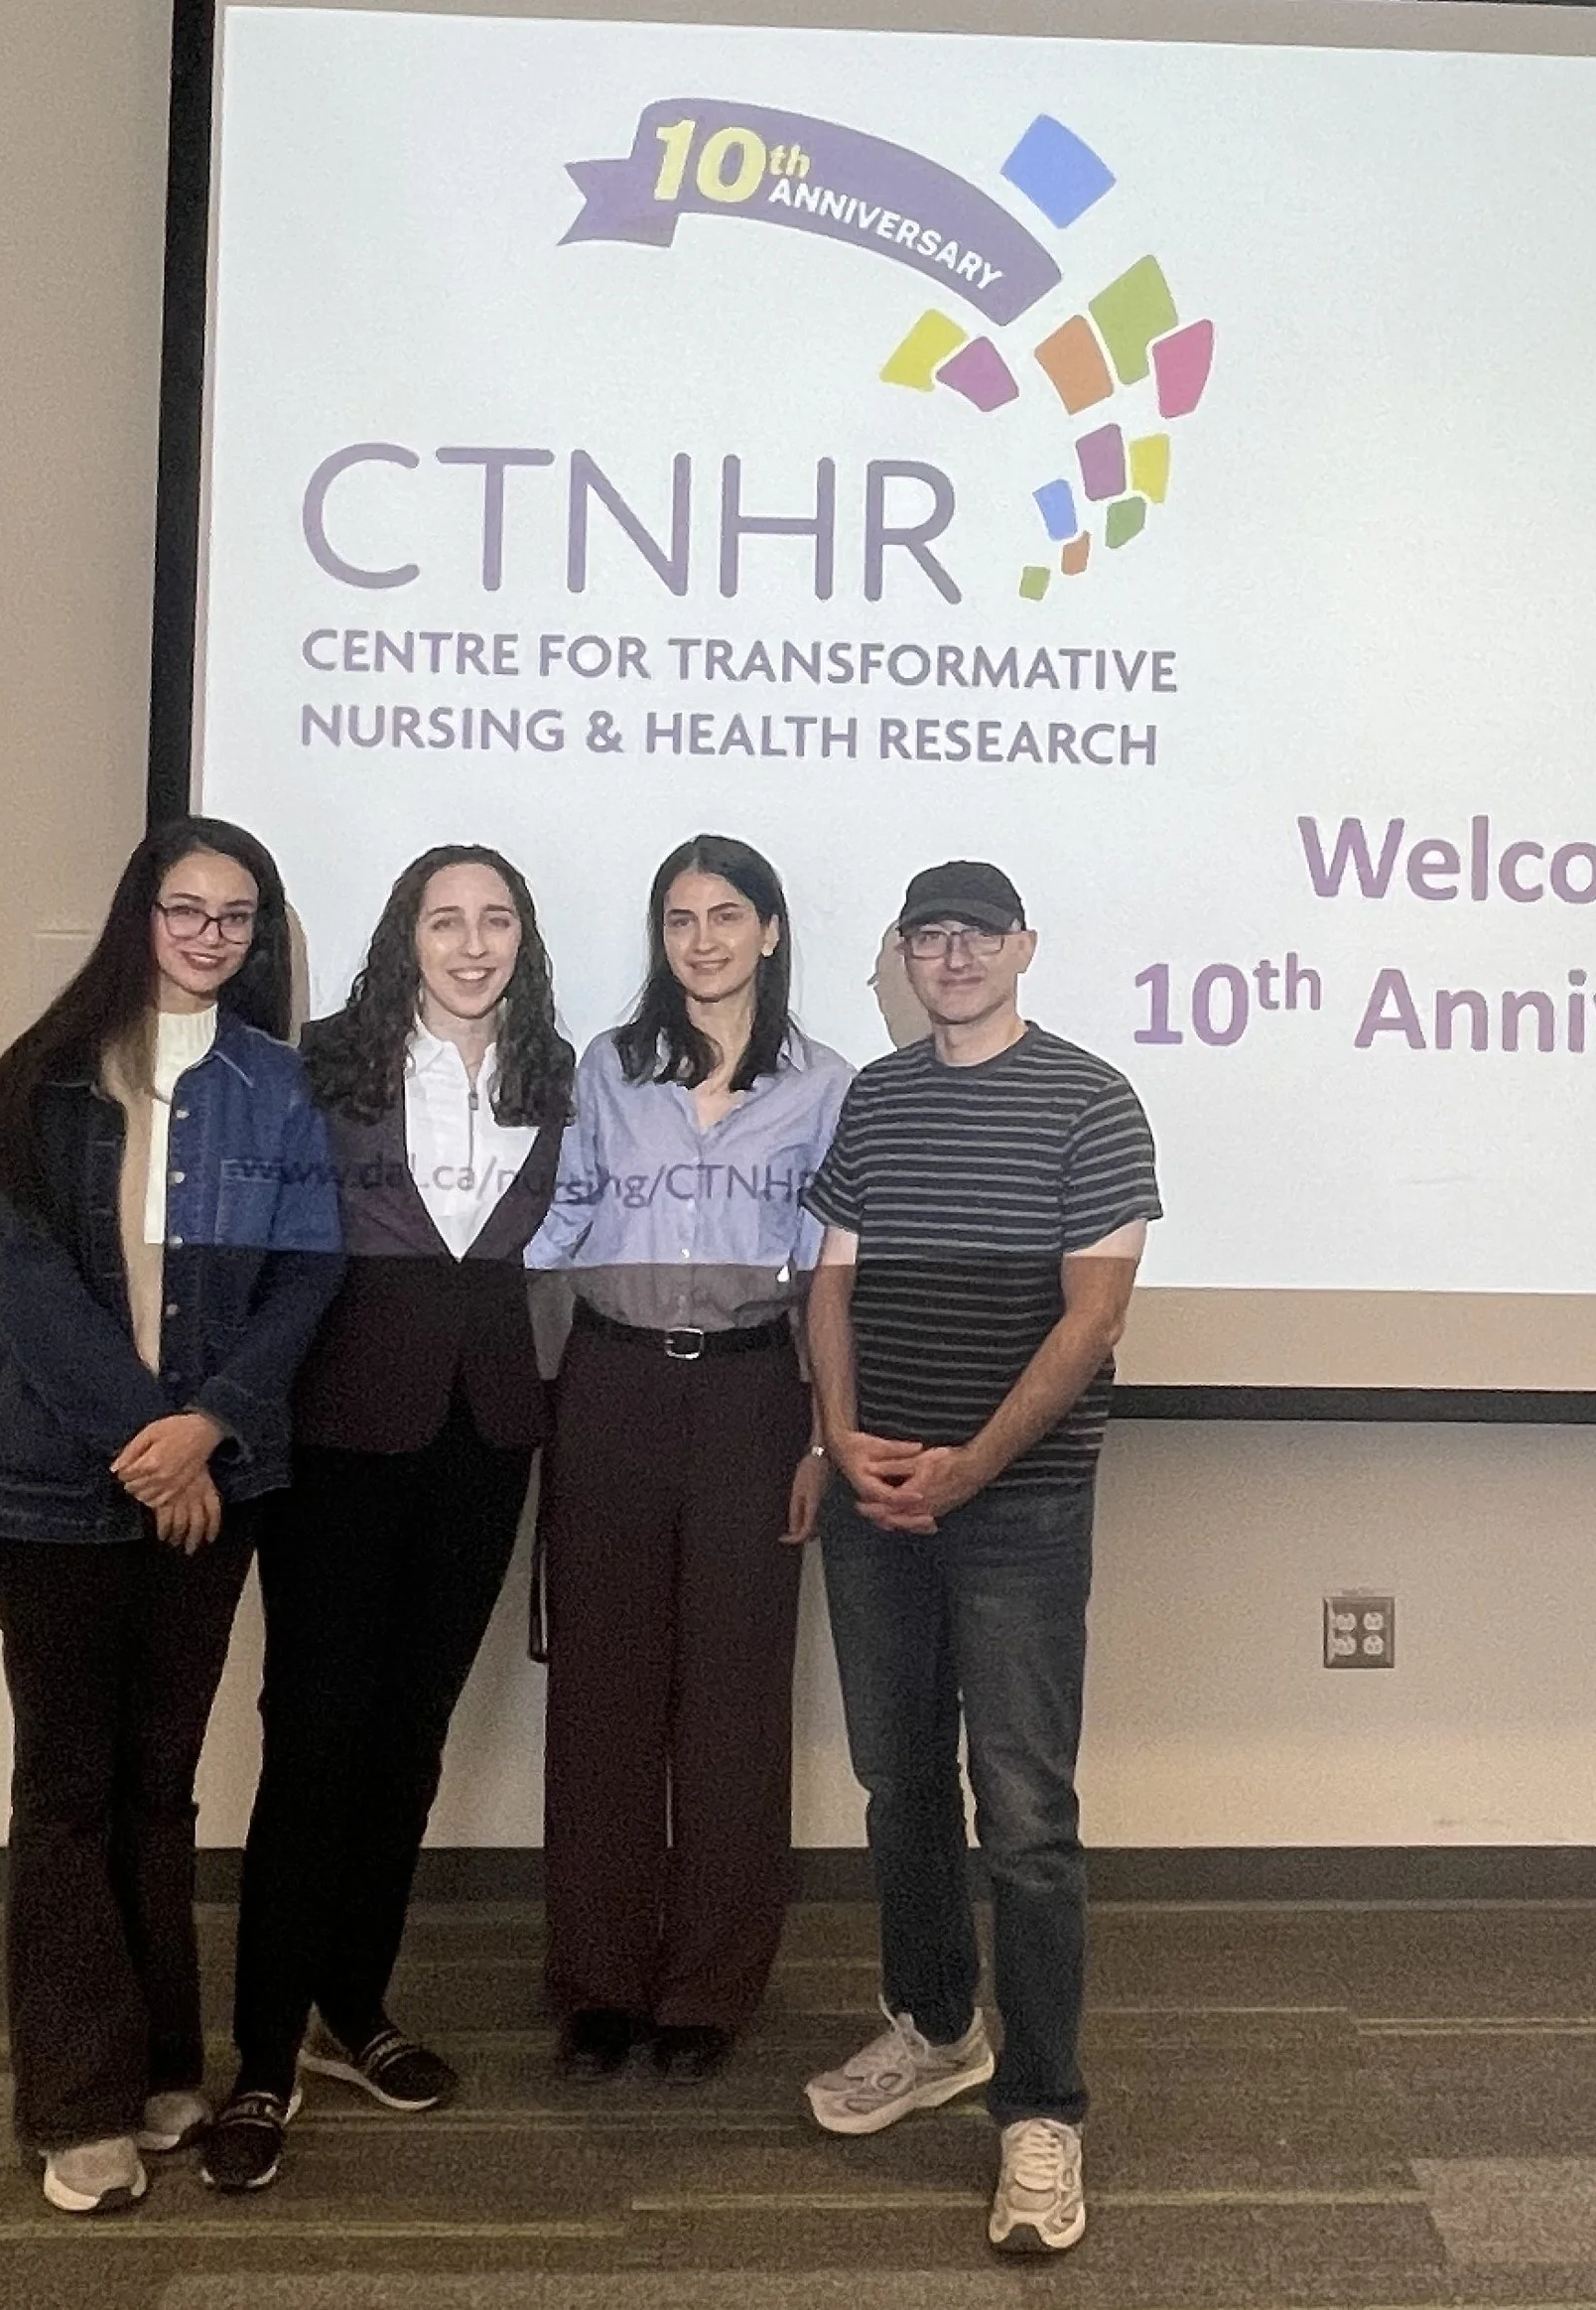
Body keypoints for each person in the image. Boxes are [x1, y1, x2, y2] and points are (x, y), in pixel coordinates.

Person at [0, 818, 341, 2216]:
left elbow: (307, 1277)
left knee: (161, 1782)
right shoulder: (45, 1073)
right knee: (67, 1787)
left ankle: (161, 2061)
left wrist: (208, 1425)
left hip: (210, 1482)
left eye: (237, 915)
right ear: (142, 914)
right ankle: (75, 2098)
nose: (209, 935)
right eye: (187, 908)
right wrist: (152, 1439)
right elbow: (31, 1284)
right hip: (54, 1485)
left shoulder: (278, 1087)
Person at [800, 860, 1160, 2255]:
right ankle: (938, 2025)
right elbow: (831, 1283)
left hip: (1018, 1508)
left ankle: (1042, 2105)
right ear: (903, 953)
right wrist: (843, 1439)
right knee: (899, 1782)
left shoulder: (1091, 1099)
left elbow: (1093, 1318)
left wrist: (970, 1466)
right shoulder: (877, 1100)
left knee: (1024, 1814)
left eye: (977, 935)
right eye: (928, 936)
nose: (951, 956)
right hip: (876, 1499)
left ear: (1024, 946)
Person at [202, 846, 575, 2191]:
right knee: (313, 1742)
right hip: (338, 1434)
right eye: (444, 918)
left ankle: (353, 2007)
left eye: (496, 919)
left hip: (486, 1437)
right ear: (403, 934)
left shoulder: (556, 1072)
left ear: (523, 938)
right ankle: (261, 2054)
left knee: (410, 1739)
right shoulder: (319, 1061)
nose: (471, 943)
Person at [525, 835, 851, 2081]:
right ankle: (598, 1981)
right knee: (601, 1694)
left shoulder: (826, 1085)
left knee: (733, 1699)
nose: (702, 939)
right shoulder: (607, 1068)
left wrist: (820, 1433)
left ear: (771, 930)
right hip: (610, 1387)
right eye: (679, 918)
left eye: (726, 915)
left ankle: (709, 1987)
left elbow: (833, 1279)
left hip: (752, 1397)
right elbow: (562, 1221)